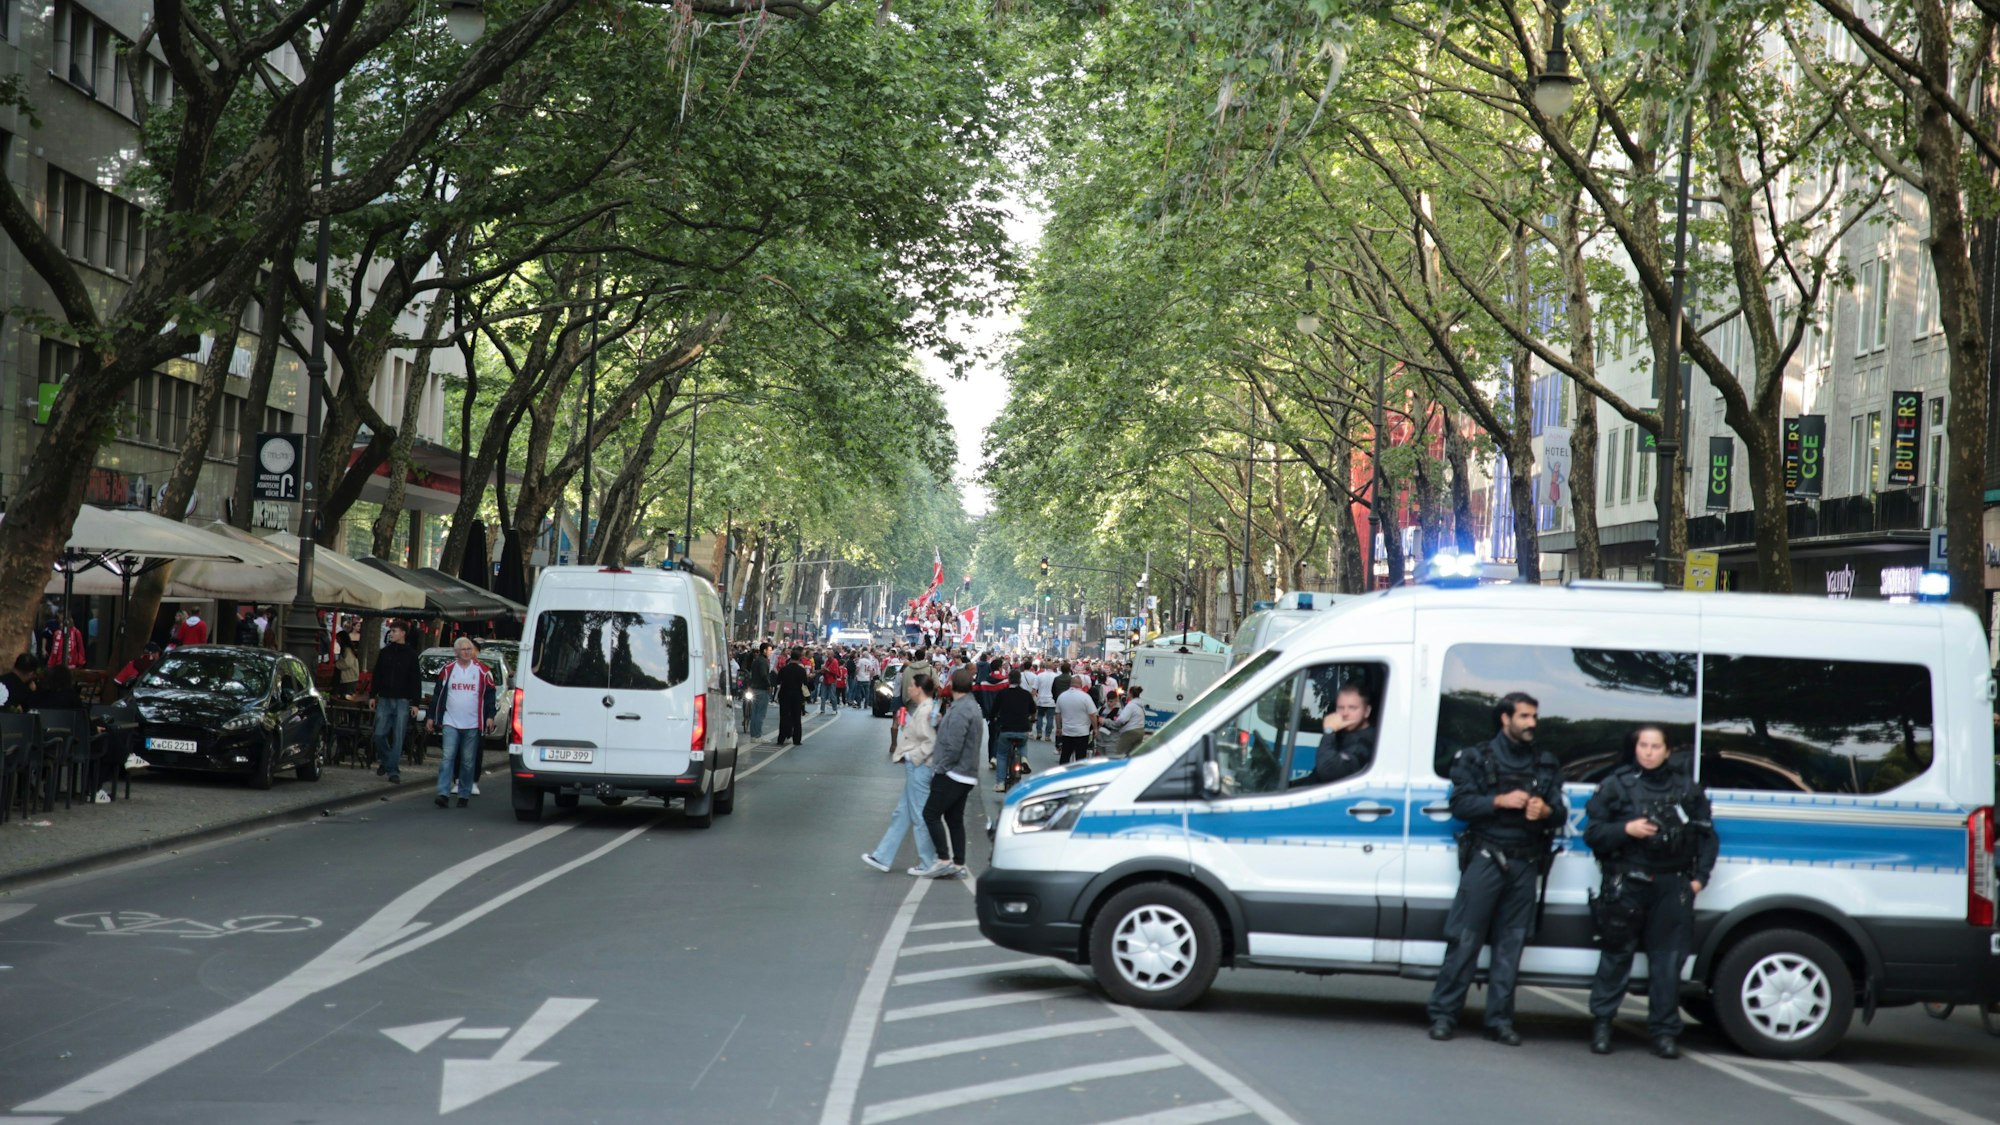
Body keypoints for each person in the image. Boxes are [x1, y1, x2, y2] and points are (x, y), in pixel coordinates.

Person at [1426, 691, 1565, 1046]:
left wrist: (1545, 812)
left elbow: (1559, 812)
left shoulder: (1545, 762)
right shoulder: (1475, 757)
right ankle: (1444, 1015)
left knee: (1511, 944)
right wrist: (1499, 801)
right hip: (1487, 857)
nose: (1532, 723)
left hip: (1525, 862)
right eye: (1524, 716)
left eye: (1534, 716)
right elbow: (1459, 804)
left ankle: (1499, 1021)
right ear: (1505, 719)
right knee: (1464, 940)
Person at [1583, 724, 1717, 1059]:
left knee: (1667, 963)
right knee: (1616, 957)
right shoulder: (1616, 785)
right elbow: (1594, 834)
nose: (1648, 752)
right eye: (1643, 745)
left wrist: (1699, 879)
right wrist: (1626, 829)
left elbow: (1707, 837)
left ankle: (1664, 1032)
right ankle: (1602, 1025)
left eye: (1655, 746)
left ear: (1667, 751)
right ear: (1636, 748)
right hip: (1627, 882)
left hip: (1672, 884)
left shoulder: (1687, 789)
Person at [863, 673, 942, 875]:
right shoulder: (924, 708)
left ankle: (928, 861)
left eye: (912, 686)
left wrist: (912, 756)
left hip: (919, 767)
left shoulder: (927, 710)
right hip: (917, 766)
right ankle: (883, 856)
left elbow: (930, 742)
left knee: (918, 815)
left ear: (919, 689)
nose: (908, 689)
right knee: (903, 814)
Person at [918, 666, 983, 878]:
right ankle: (959, 863)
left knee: (930, 813)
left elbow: (954, 746)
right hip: (965, 772)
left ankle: (944, 859)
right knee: (954, 818)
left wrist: (941, 768)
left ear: (952, 685)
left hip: (954, 772)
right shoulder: (971, 706)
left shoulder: (961, 710)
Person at [427, 637, 496, 809]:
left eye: (469, 649)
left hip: (472, 723)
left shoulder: (482, 671)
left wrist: (489, 716)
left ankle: (464, 793)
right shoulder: (448, 670)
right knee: (447, 757)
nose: (467, 652)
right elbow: (438, 695)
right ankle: (443, 793)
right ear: (456, 652)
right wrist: (431, 716)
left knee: (467, 760)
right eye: (463, 649)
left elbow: (489, 696)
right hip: (451, 721)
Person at [1294, 682, 1377, 788]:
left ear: (1366, 711)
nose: (1345, 713)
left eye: (1352, 708)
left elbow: (1328, 770)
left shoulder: (1366, 743)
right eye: (1341, 708)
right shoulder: (1344, 732)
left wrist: (1329, 731)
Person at [370, 622, 422, 784]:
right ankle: (388, 762)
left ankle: (392, 769)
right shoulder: (385, 652)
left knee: (398, 737)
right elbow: (377, 674)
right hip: (385, 698)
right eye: (391, 631)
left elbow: (415, 680)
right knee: (379, 734)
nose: (391, 633)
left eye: (394, 630)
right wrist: (372, 695)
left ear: (403, 633)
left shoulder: (411, 655)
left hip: (402, 700)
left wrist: (415, 702)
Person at [990, 668, 1036, 791]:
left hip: (1006, 729)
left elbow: (994, 710)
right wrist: (1031, 718)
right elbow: (1033, 710)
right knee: (1022, 743)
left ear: (1009, 680)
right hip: (1022, 729)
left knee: (1002, 755)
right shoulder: (1026, 694)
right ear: (1020, 681)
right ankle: (1023, 758)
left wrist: (992, 718)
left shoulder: (1002, 693)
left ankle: (1000, 783)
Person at [1054, 673, 1099, 766]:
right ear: (1081, 684)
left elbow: (1057, 714)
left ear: (1070, 684)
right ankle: (1078, 776)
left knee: (1065, 755)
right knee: (1080, 757)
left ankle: (1062, 775)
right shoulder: (1085, 697)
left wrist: (1058, 728)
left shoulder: (1062, 696)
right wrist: (1095, 728)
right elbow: (1092, 715)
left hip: (1067, 732)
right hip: (1082, 733)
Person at [775, 646, 811, 746]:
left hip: (784, 694)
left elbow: (778, 681)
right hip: (797, 695)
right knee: (796, 717)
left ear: (790, 657)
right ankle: (797, 739)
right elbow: (805, 683)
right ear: (799, 658)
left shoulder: (784, 669)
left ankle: (781, 738)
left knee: (784, 717)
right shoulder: (801, 670)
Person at [1109, 684, 1148, 757]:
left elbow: (1122, 719)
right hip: (1140, 731)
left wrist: (1116, 723)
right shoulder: (1140, 705)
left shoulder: (1131, 705)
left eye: (1128, 693)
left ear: (1130, 694)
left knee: (1119, 754)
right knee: (1133, 755)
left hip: (1130, 732)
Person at [745, 642, 773, 739]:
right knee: (760, 714)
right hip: (762, 689)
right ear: (764, 650)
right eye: (769, 650)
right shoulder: (763, 661)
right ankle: (757, 735)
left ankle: (754, 735)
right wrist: (768, 685)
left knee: (755, 713)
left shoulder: (757, 660)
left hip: (754, 688)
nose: (770, 652)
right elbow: (764, 675)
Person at [332, 620, 362, 699]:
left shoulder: (347, 650)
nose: (337, 641)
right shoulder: (347, 649)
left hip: (349, 679)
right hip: (349, 678)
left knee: (347, 699)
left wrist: (337, 664)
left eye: (338, 639)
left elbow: (348, 663)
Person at [1029, 660, 1056, 742]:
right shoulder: (1056, 676)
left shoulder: (1040, 675)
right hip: (1051, 700)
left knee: (1039, 717)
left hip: (1041, 699)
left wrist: (1031, 699)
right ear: (1053, 667)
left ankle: (1039, 733)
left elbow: (1034, 689)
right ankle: (1047, 736)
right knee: (1050, 718)